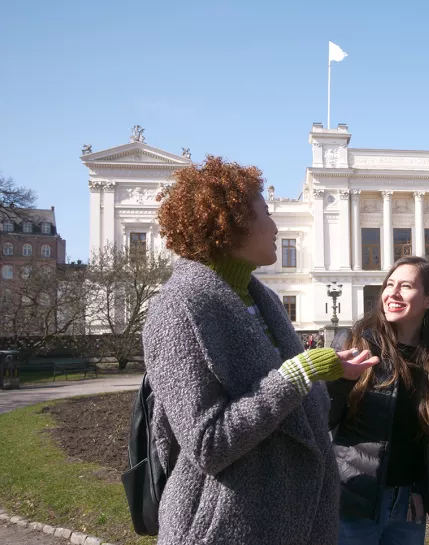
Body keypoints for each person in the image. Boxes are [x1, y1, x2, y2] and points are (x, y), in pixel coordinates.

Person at [143, 156, 378, 545]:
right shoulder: (179, 307)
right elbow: (209, 443)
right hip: (225, 527)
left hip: (295, 524)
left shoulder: (262, 299)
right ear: (230, 221)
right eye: (266, 213)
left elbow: (293, 416)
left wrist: (329, 374)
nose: (276, 226)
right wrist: (301, 371)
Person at [327, 256, 429, 545]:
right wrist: (340, 380)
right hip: (352, 503)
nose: (393, 293)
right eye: (390, 285)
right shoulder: (355, 344)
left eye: (406, 286)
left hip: (408, 508)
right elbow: (322, 418)